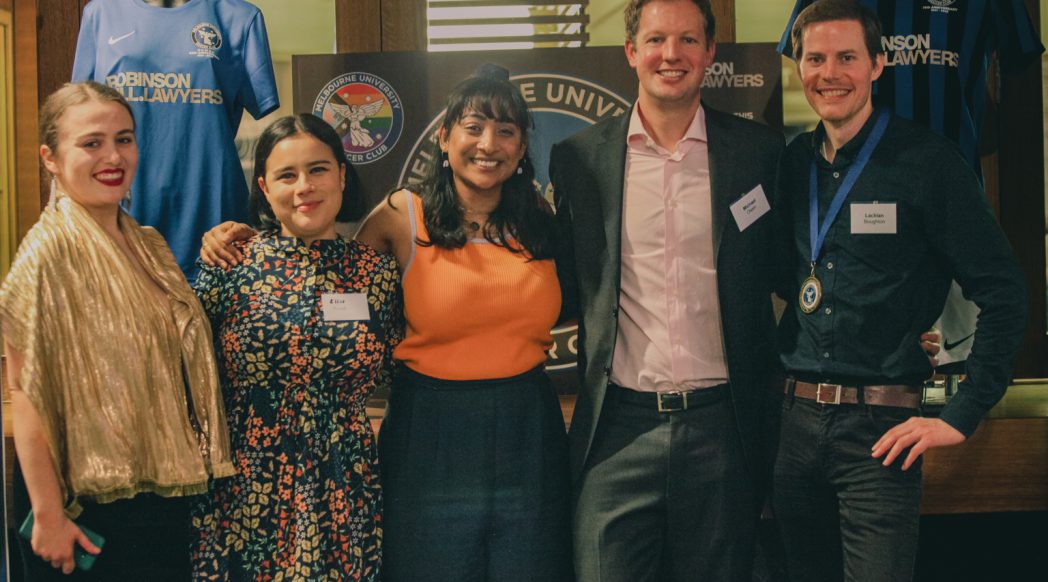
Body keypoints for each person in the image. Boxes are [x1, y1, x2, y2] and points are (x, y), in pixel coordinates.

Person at [200, 65, 572, 582]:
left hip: (528, 425)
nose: (489, 144)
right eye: (473, 127)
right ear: (444, 139)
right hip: (430, 427)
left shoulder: (541, 219)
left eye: (506, 131)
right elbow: (325, 277)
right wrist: (251, 237)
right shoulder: (403, 216)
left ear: (521, 147)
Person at [772, 2, 1028, 581]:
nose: (829, 72)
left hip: (881, 436)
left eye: (846, 57)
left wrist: (962, 415)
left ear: (878, 64)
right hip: (792, 426)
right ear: (798, 66)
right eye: (815, 58)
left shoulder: (929, 164)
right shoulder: (790, 167)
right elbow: (772, 274)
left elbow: (1006, 294)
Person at [549, 1, 785, 580]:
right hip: (617, 429)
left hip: (723, 428)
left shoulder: (759, 154)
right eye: (656, 40)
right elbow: (558, 283)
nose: (671, 55)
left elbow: (796, 270)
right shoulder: (578, 160)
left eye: (687, 40)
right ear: (631, 52)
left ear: (710, 53)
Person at [0, 81, 233, 580]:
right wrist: (46, 515)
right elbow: (24, 389)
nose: (113, 156)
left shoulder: (148, 243)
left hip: (159, 489)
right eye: (92, 143)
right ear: (50, 158)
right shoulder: (47, 254)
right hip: (83, 506)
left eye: (124, 139)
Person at [188, 114, 401, 580]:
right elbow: (186, 371)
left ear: (343, 175)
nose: (305, 186)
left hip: (344, 484)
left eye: (319, 169)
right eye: (287, 175)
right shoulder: (231, 263)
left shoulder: (377, 274)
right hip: (245, 485)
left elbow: (398, 369)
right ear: (264, 188)